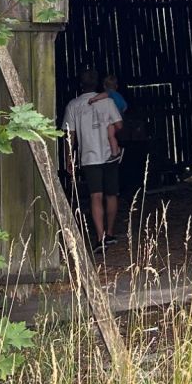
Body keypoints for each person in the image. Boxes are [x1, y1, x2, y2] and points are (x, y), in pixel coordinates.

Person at [62, 69, 123, 249]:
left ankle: (100, 237)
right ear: (97, 83)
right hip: (110, 155)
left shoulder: (73, 106)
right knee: (112, 195)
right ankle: (110, 233)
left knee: (95, 196)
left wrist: (68, 159)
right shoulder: (108, 101)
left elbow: (69, 136)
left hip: (89, 157)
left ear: (81, 84)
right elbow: (120, 124)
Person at [90, 72, 126, 162]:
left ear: (104, 86)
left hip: (113, 121)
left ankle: (115, 153)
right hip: (119, 119)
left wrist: (94, 99)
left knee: (110, 136)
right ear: (116, 86)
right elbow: (125, 106)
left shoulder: (109, 93)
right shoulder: (119, 95)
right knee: (112, 135)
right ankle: (117, 149)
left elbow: (104, 95)